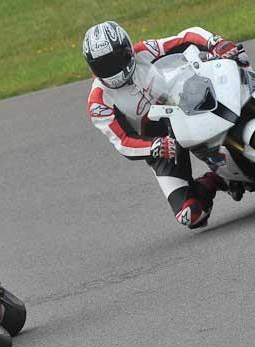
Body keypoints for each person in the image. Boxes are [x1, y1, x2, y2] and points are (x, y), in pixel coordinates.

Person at [83, 21, 250, 228]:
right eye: (104, 66)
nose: (113, 69)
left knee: (237, 64)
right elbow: (123, 142)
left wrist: (215, 43)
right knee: (189, 214)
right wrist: (154, 147)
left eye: (117, 60)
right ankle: (218, 180)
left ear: (128, 48)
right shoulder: (99, 102)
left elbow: (186, 36)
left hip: (185, 106)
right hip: (160, 143)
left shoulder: (144, 51)